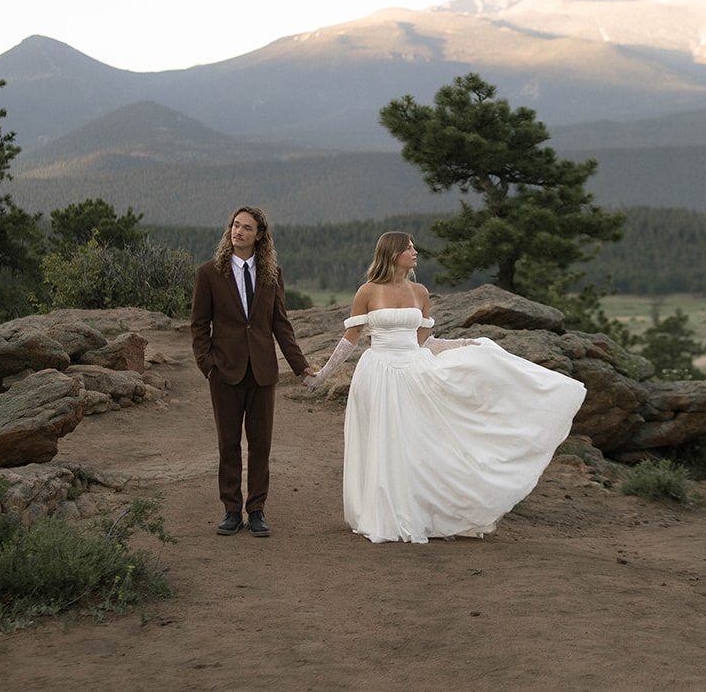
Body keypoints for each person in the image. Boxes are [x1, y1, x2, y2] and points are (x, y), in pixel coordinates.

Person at [304, 231, 586, 543]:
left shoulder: (420, 292)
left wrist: (467, 343)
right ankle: (382, 512)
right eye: (408, 248)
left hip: (413, 370)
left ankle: (420, 511)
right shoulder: (367, 291)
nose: (414, 252)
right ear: (391, 253)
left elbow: (424, 342)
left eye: (413, 247)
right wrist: (324, 374)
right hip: (378, 373)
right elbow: (351, 338)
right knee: (382, 441)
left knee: (415, 442)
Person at [191, 205, 315, 537]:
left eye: (246, 227)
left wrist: (301, 367)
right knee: (228, 443)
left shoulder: (272, 274)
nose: (238, 232)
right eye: (235, 225)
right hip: (224, 372)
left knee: (260, 445)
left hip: (262, 372)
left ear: (259, 235)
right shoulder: (208, 274)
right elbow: (199, 327)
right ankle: (232, 510)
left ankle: (256, 509)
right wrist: (208, 367)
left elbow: (281, 326)